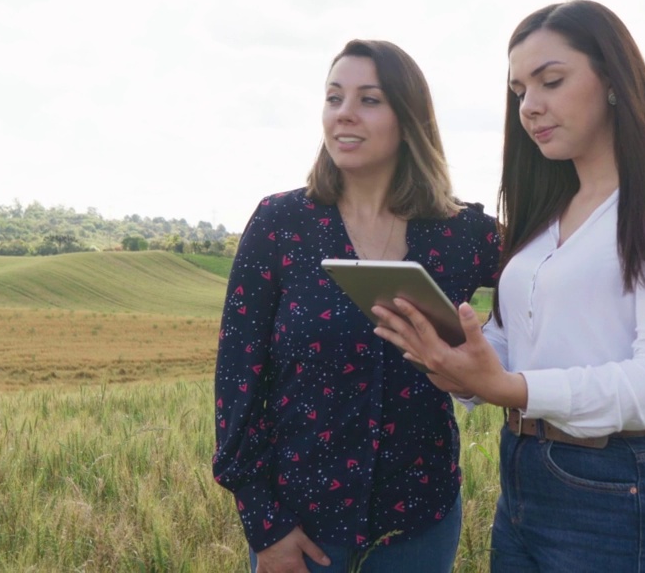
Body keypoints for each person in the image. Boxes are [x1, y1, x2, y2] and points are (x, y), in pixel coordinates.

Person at [372, 0, 645, 572]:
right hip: (524, 475)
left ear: (614, 79)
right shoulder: (548, 210)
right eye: (519, 90)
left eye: (551, 81)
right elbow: (513, 346)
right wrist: (449, 356)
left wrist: (511, 388)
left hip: (619, 489)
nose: (530, 106)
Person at [213, 39, 501, 573]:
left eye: (369, 99)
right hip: (298, 526)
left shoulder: (461, 235)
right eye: (333, 97)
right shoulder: (280, 224)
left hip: (418, 524)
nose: (344, 113)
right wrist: (263, 521)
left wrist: (494, 358)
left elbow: (551, 275)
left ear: (409, 118)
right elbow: (237, 375)